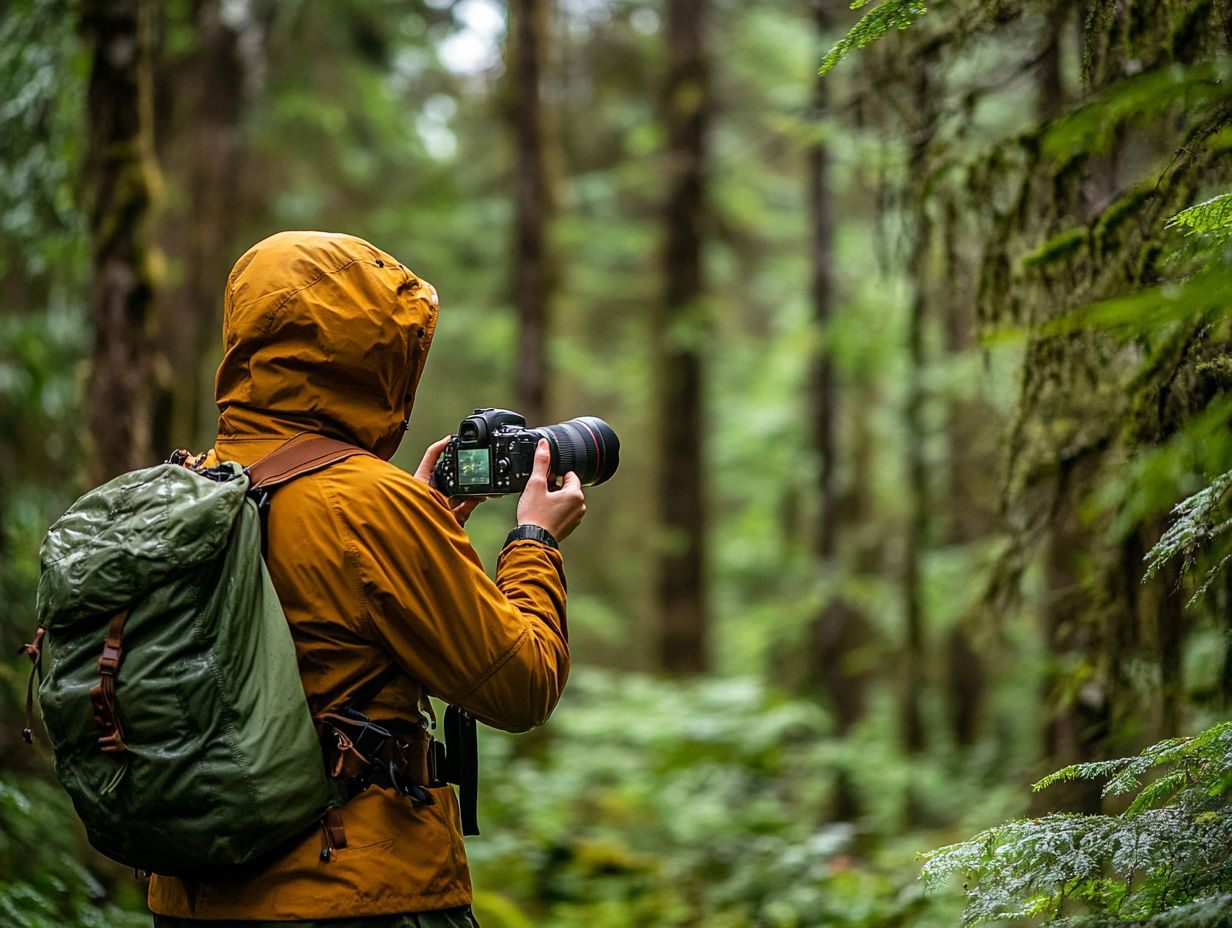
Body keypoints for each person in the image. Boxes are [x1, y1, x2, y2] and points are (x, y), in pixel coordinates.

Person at [148, 230, 586, 926]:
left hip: (189, 897)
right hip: (359, 892)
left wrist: (422, 522)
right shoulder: (371, 505)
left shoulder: (183, 487)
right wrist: (534, 539)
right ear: (374, 357)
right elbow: (522, 683)